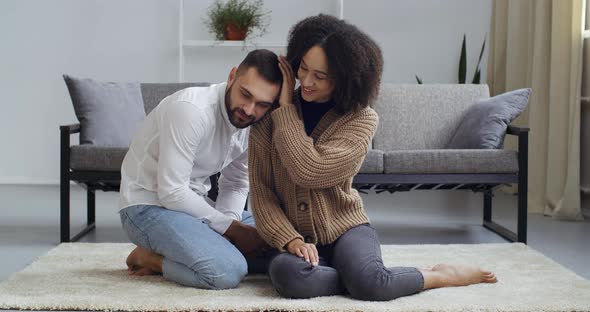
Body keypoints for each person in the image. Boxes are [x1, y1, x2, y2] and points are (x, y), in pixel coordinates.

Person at [248, 14, 497, 301]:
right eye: (303, 68)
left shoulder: (361, 120)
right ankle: (360, 277)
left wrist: (286, 111)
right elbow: (262, 193)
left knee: (369, 285)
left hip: (346, 229)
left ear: (344, 79)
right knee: (287, 276)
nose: (305, 81)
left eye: (320, 76)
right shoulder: (267, 117)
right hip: (294, 238)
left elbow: (309, 169)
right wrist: (289, 239)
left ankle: (439, 275)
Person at [118, 49, 282, 289]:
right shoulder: (191, 110)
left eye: (262, 104)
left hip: (195, 208)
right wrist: (232, 230)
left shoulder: (253, 124)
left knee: (283, 238)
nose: (248, 109)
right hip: (147, 208)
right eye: (245, 94)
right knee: (226, 271)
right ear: (232, 76)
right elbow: (172, 191)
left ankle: (206, 250)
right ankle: (150, 258)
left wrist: (229, 222)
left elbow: (236, 182)